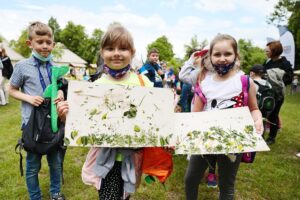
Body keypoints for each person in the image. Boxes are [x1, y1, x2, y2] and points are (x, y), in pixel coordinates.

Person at [58, 24, 154, 200]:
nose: (116, 53)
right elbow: (83, 124)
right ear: (102, 53)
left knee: (125, 196)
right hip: (105, 157)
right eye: (110, 48)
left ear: (132, 53)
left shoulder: (143, 83)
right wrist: (66, 117)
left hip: (132, 157)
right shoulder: (95, 87)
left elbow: (154, 117)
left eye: (123, 48)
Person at [184, 34, 263, 200]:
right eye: (217, 54)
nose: (222, 59)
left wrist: (257, 118)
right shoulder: (204, 83)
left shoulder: (245, 82)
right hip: (204, 138)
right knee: (191, 179)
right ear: (210, 57)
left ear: (236, 55)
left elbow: (254, 108)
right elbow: (195, 115)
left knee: (226, 185)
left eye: (227, 54)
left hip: (233, 141)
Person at [8, 21, 65, 200]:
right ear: (30, 43)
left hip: (54, 123)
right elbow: (11, 90)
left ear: (53, 45)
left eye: (48, 42)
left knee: (56, 163)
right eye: (40, 42)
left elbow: (61, 85)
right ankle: (35, 197)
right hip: (32, 125)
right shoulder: (22, 66)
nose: (44, 46)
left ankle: (55, 193)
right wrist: (29, 98)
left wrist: (61, 92)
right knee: (33, 166)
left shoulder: (56, 66)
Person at [263, 40, 293, 145]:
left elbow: (289, 79)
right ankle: (260, 134)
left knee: (273, 115)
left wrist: (276, 77)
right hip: (267, 92)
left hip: (278, 94)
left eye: (267, 51)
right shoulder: (268, 62)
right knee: (263, 113)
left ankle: (271, 137)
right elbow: (262, 73)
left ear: (274, 51)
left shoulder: (284, 63)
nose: (265, 52)